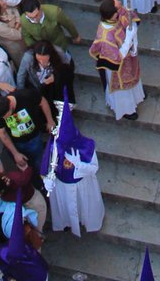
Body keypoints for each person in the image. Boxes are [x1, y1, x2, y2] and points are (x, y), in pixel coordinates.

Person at [40, 92, 104, 236]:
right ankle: (66, 224)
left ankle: (86, 222)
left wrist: (79, 165)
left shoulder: (86, 146)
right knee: (66, 208)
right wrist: (47, 180)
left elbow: (94, 168)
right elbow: (47, 166)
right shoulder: (53, 145)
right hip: (61, 185)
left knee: (83, 207)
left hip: (82, 185)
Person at [88, 0, 144, 121]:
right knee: (122, 88)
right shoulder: (105, 36)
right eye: (118, 9)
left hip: (129, 57)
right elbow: (117, 57)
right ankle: (126, 110)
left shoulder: (115, 17)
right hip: (117, 67)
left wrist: (134, 40)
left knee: (133, 76)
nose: (121, 9)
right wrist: (129, 40)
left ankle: (136, 97)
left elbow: (130, 18)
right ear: (112, 15)